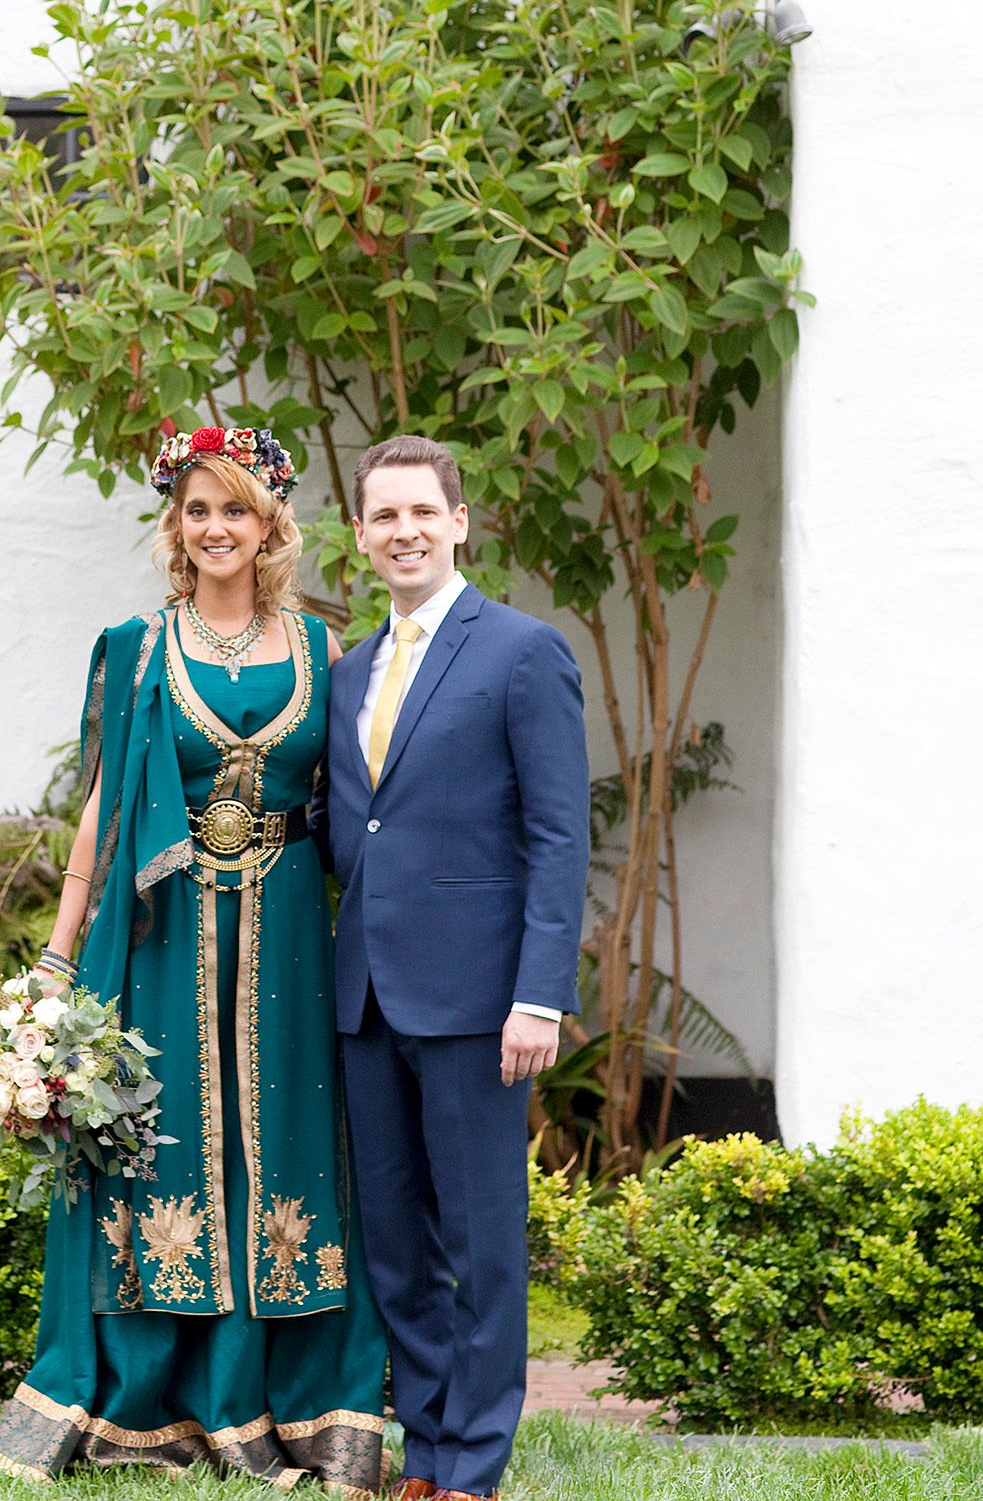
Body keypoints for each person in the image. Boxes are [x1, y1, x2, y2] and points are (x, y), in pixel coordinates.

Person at [0, 423, 388, 1492]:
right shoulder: (135, 646)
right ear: (177, 525)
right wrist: (59, 963)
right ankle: (153, 1401)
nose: (217, 528)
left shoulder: (319, 649)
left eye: (236, 511)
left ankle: (281, 1398)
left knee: (283, 1144)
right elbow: (107, 810)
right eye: (198, 509)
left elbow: (354, 811)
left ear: (270, 529)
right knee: (169, 1148)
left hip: (292, 933)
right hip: (163, 937)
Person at [312, 435, 590, 1501]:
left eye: (422, 512)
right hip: (369, 1001)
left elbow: (559, 836)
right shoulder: (348, 674)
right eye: (383, 517)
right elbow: (355, 828)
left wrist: (537, 996)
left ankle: (472, 1463)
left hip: (483, 1006)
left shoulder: (522, 652)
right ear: (363, 533)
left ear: (460, 521)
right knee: (395, 1243)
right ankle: (423, 1453)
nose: (404, 532)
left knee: (480, 1243)